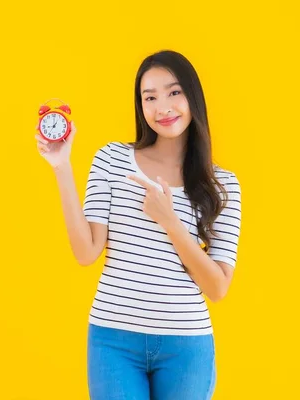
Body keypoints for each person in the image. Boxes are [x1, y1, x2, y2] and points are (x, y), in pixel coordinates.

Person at [34, 49, 242, 400]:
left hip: (186, 345)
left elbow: (218, 288)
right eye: (150, 97)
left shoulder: (222, 185)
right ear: (140, 106)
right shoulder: (112, 159)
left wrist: (170, 221)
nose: (163, 107)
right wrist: (61, 166)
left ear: (193, 97)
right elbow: (86, 252)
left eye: (174, 92)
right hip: (113, 340)